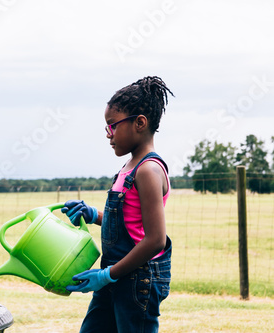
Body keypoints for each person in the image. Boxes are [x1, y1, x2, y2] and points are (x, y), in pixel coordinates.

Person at [61, 76, 174, 333]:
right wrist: (93, 215)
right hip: (115, 276)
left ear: (139, 123)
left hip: (137, 280)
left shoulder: (148, 171)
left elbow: (155, 239)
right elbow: (129, 221)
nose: (108, 134)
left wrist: (106, 275)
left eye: (112, 126)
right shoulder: (127, 167)